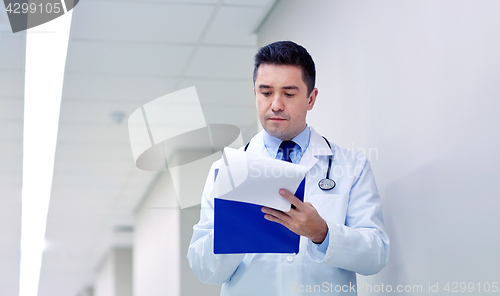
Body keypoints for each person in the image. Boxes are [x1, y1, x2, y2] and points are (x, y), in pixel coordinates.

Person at [187, 41, 389, 295]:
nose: (276, 105)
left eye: (289, 94)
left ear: (311, 98)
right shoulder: (228, 169)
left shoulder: (351, 166)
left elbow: (376, 255)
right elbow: (203, 269)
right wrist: (237, 231)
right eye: (266, 92)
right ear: (255, 94)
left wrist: (322, 233)